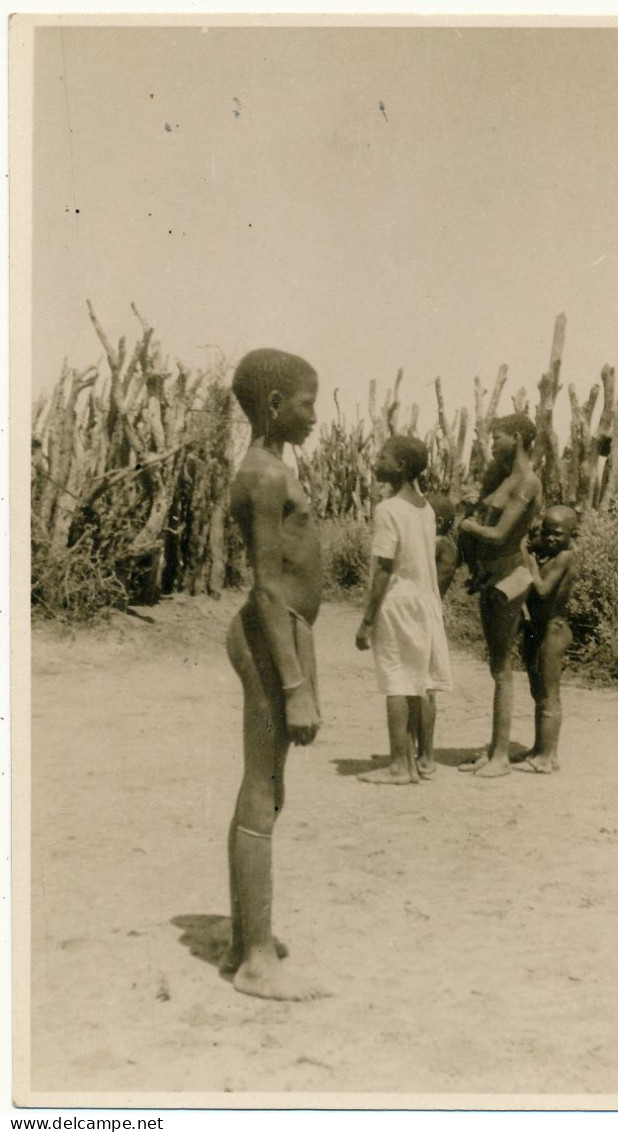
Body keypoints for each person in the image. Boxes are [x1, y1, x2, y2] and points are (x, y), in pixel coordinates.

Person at [222, 347, 328, 1001]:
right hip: (270, 640)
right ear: (273, 405)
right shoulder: (262, 475)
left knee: (272, 791)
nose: (314, 415)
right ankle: (256, 959)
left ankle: (245, 938)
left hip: (289, 636)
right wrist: (293, 687)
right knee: (261, 790)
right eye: (307, 403)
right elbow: (265, 590)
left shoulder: (278, 468)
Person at [356, 437, 452, 784]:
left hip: (397, 601)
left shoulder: (388, 510)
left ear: (400, 467)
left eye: (382, 454)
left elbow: (383, 568)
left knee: (397, 680)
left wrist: (367, 620)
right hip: (425, 601)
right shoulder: (424, 508)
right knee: (421, 681)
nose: (375, 458)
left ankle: (399, 765)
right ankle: (419, 760)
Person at [457, 414, 542, 778]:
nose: (492, 443)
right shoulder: (505, 477)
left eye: (499, 437)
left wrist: (467, 525)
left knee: (502, 668)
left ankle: (501, 757)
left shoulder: (527, 483)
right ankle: (496, 748)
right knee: (496, 663)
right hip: (492, 575)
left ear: (519, 438)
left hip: (509, 574)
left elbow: (500, 534)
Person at [516, 505, 578, 774]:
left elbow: (541, 590)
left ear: (572, 534)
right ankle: (541, 749)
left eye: (558, 534)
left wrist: (527, 557)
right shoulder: (546, 553)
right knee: (538, 692)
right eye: (547, 533)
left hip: (554, 631)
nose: (551, 539)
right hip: (537, 630)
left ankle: (547, 755)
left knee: (549, 694)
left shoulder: (566, 556)